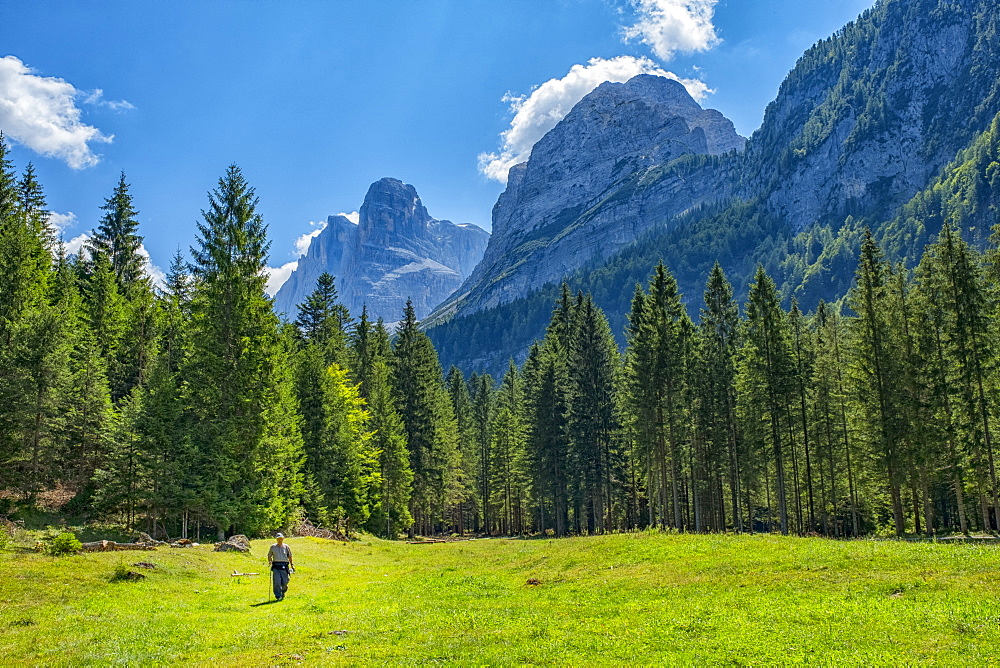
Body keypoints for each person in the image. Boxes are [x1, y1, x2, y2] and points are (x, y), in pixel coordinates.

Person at [267, 532, 294, 601]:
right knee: (277, 582)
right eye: (278, 539)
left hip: (284, 566)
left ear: (283, 539)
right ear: (276, 539)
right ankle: (278, 595)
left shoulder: (286, 547)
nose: (280, 540)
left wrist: (292, 565)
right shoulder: (273, 547)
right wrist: (270, 561)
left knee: (285, 582)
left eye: (281, 538)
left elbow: (290, 556)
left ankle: (283, 592)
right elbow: (269, 555)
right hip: (276, 566)